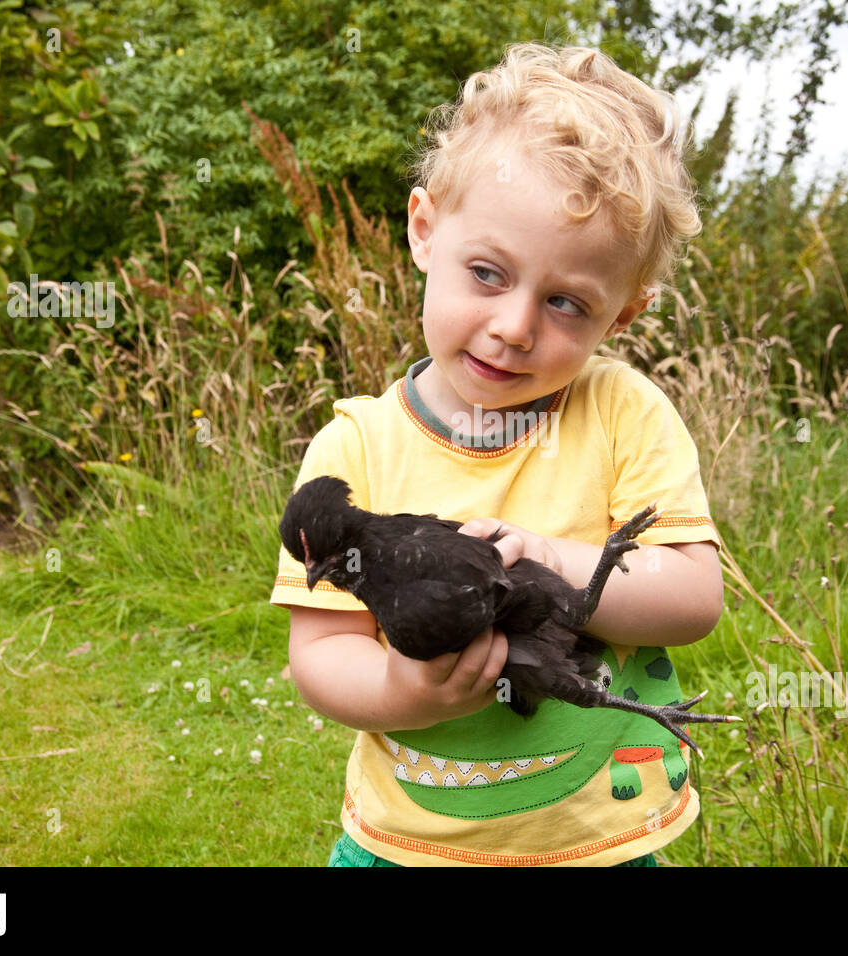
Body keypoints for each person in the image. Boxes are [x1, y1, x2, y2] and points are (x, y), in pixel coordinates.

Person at [270, 41, 725, 866]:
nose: (516, 326)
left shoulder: (623, 413)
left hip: (599, 842)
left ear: (622, 316)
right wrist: (402, 691)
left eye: (566, 303)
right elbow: (320, 652)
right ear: (423, 231)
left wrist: (558, 557)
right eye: (487, 272)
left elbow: (693, 596)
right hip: (410, 844)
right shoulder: (355, 448)